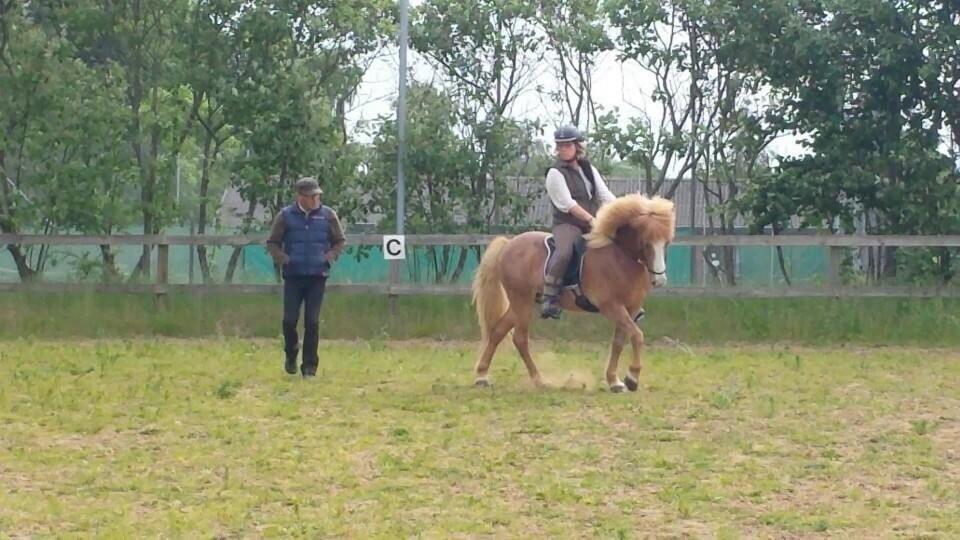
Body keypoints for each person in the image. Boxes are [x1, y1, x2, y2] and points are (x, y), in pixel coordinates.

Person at [266, 177, 346, 377]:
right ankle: (291, 353)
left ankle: (310, 366)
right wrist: (284, 259)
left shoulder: (328, 215)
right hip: (293, 276)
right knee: (289, 320)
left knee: (312, 321)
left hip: (317, 276)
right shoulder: (285, 216)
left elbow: (340, 241)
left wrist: (329, 257)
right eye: (311, 196)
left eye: (317, 196)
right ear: (301, 197)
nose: (315, 199)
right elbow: (272, 243)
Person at [541, 124, 617, 319]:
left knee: (615, 247)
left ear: (577, 146)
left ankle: (618, 294)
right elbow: (568, 204)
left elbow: (604, 195)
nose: (563, 149)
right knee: (565, 251)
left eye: (567, 145)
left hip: (590, 222)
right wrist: (592, 220)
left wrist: (621, 212)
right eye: (560, 145)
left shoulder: (588, 169)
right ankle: (549, 297)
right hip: (567, 223)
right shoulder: (555, 173)